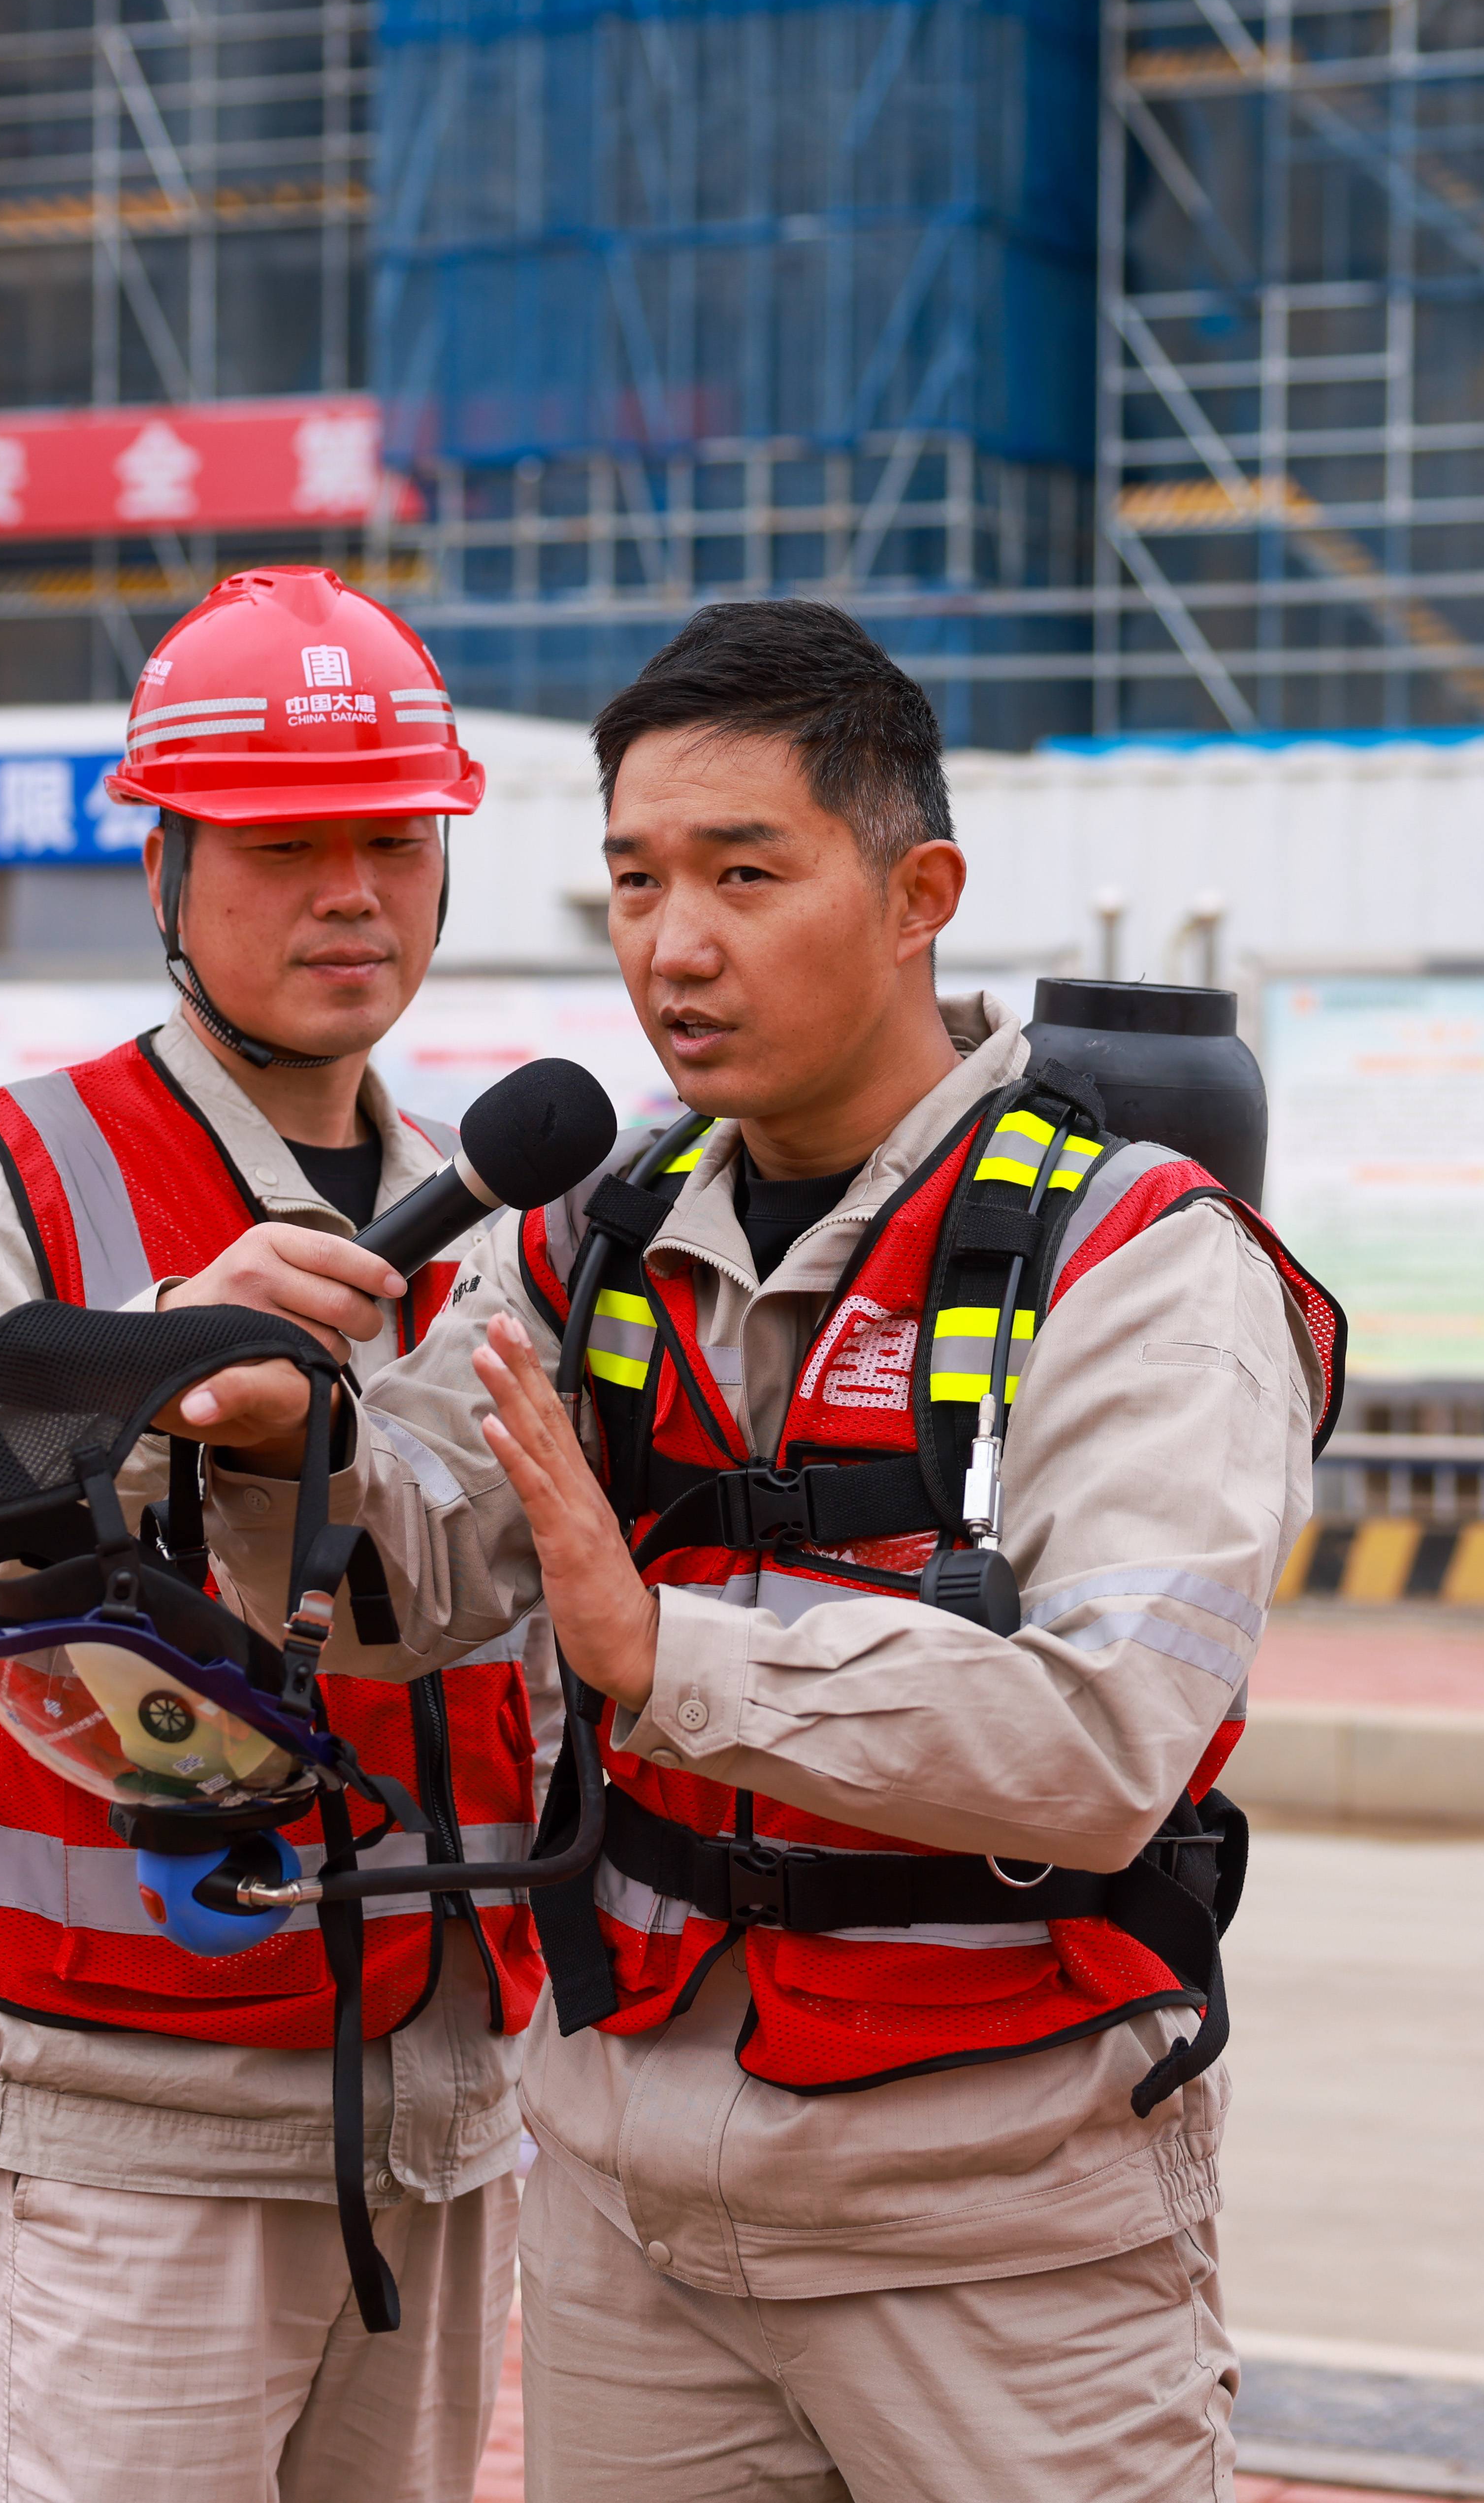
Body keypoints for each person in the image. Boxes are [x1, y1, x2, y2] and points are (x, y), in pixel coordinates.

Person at [165, 598, 1343, 2502]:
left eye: (744, 873)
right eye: (633, 881)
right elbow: (421, 1596)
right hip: (632, 2219)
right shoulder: (595, 1233)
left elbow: (1111, 1745)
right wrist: (283, 1456)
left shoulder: (1139, 1260)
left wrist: (665, 1657)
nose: (674, 945)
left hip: (1001, 2234)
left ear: (916, 893)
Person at [0, 565, 544, 2503]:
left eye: (393, 840)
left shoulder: (489, 1216)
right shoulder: (17, 1171)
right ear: (166, 870)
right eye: (284, 845)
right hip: (118, 2100)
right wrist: (133, 1368)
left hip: (439, 2101)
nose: (350, 895)